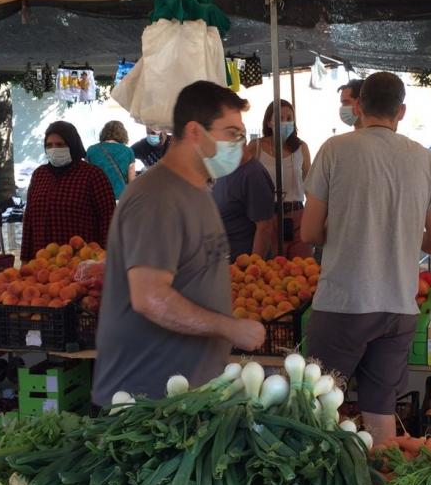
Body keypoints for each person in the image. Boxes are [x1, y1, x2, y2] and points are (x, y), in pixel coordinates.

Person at [92, 81, 266, 406]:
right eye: (231, 133)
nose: (239, 145)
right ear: (195, 132)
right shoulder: (157, 197)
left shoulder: (197, 190)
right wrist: (228, 327)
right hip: (147, 401)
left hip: (185, 395)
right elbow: (150, 297)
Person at [302, 72, 431, 446]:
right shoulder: (426, 159)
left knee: (319, 407)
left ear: (358, 106)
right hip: (399, 309)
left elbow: (308, 233)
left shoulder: (334, 149)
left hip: (343, 305)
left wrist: (348, 230)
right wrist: (398, 233)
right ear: (401, 111)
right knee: (380, 412)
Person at [20, 121, 115, 261]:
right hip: (42, 263)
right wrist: (25, 259)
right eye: (49, 145)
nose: (54, 149)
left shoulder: (92, 175)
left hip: (81, 262)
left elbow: (109, 220)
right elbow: (29, 220)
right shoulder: (39, 175)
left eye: (60, 145)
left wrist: (106, 259)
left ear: (72, 144)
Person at [248, 99, 312, 258]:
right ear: (269, 122)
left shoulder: (301, 147)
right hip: (267, 218)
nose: (285, 122)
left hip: (298, 215)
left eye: (289, 118)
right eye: (280, 118)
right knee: (271, 270)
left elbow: (309, 185)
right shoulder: (255, 147)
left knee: (303, 269)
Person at [212, 146, 275, 261]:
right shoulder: (222, 170)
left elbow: (264, 228)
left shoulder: (253, 174)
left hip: (242, 264)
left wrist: (252, 267)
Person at [86, 121, 136, 200]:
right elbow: (132, 182)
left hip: (97, 197)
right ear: (123, 134)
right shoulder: (128, 151)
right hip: (120, 198)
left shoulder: (91, 150)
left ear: (103, 133)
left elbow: (87, 177)